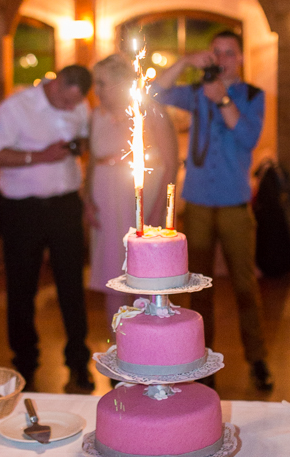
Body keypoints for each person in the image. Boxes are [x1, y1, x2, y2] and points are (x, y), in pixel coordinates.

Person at [151, 30, 274, 391]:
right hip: (200, 201)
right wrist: (184, 62)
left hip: (235, 202)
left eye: (229, 53)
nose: (222, 59)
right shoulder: (195, 93)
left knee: (245, 286)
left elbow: (249, 138)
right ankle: (201, 362)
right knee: (198, 288)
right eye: (216, 53)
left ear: (240, 58)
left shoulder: (252, 94)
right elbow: (153, 92)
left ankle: (258, 359)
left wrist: (222, 101)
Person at [0, 65, 94, 394]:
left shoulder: (80, 104)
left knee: (72, 287)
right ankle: (25, 367)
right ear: (56, 83)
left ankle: (78, 363)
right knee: (21, 289)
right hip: (23, 210)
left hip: (65, 205)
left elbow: (84, 137)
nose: (70, 109)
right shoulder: (16, 107)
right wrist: (39, 156)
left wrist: (79, 146)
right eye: (65, 101)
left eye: (75, 104)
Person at [84, 53, 179, 329]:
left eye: (101, 83)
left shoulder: (149, 110)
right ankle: (118, 347)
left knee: (144, 275)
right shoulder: (97, 116)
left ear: (119, 83)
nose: (96, 90)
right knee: (111, 273)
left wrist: (161, 209)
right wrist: (87, 200)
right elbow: (92, 160)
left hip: (141, 201)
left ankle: (148, 347)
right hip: (105, 200)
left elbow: (171, 163)